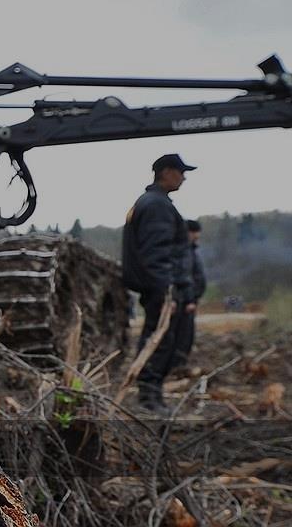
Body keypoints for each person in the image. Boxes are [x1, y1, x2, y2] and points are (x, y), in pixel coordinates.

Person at [121, 154, 196, 415]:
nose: (183, 178)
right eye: (180, 172)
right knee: (159, 340)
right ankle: (148, 398)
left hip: (161, 286)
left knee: (163, 339)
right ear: (166, 172)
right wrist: (167, 292)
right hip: (162, 288)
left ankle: (153, 395)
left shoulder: (155, 203)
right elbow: (156, 253)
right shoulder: (156, 206)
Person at [171, 219, 206, 371]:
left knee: (187, 336)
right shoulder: (181, 251)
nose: (196, 237)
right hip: (184, 300)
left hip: (191, 299)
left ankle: (180, 363)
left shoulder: (191, 251)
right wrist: (189, 299)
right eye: (194, 234)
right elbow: (183, 277)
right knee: (180, 335)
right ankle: (176, 365)